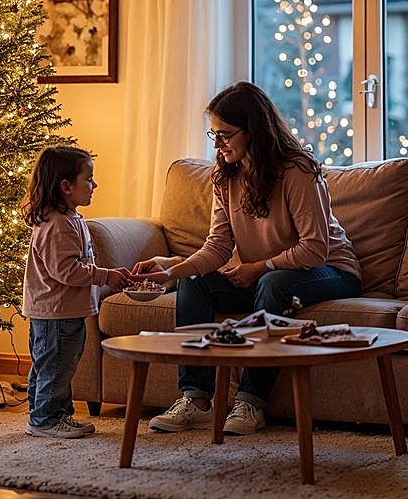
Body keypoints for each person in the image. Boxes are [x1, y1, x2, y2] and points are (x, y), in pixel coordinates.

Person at [133, 82, 361, 436]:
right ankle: (196, 400)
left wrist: (260, 267)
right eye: (214, 133)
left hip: (330, 270)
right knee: (196, 282)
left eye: (225, 134)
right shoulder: (224, 176)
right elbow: (217, 248)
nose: (217, 144)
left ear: (254, 130)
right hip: (268, 274)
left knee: (272, 283)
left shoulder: (297, 170)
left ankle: (250, 403)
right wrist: (171, 273)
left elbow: (315, 248)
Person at [23, 145, 131, 439]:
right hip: (56, 312)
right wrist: (105, 275)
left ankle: (48, 413)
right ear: (66, 186)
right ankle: (45, 418)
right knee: (56, 366)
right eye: (89, 179)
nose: (95, 185)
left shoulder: (69, 218)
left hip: (62, 310)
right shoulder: (58, 225)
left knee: (52, 365)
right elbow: (67, 271)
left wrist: (107, 280)